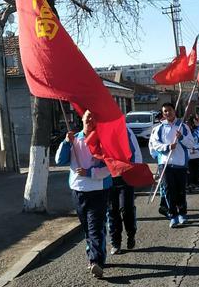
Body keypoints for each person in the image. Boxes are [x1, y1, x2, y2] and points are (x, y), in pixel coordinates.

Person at [55, 110, 111, 279]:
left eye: (94, 116)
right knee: (88, 228)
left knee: (95, 227)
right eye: (87, 116)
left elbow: (109, 167)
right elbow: (59, 160)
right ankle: (95, 254)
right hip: (78, 191)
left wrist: (89, 173)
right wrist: (66, 142)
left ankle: (96, 261)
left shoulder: (102, 139)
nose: (90, 119)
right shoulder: (74, 138)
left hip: (98, 190)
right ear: (82, 118)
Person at [149, 102, 195, 228]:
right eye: (165, 111)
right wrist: (168, 147)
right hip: (165, 164)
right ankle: (173, 215)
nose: (167, 113)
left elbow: (191, 144)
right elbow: (154, 144)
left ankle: (182, 213)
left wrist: (181, 138)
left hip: (180, 164)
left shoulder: (183, 127)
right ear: (163, 114)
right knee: (169, 190)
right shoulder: (158, 128)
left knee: (180, 190)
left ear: (174, 111)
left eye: (169, 110)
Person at [107, 128, 142, 255]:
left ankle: (131, 233)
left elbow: (136, 152)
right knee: (112, 211)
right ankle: (116, 242)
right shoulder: (99, 130)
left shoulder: (126, 131)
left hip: (125, 176)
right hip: (107, 178)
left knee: (126, 209)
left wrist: (135, 170)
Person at [186, 117, 199, 191]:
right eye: (187, 124)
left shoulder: (198, 132)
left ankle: (195, 183)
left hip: (196, 154)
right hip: (187, 154)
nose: (188, 126)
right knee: (188, 169)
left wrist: (195, 147)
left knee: (195, 170)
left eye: (189, 124)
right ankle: (189, 184)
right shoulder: (184, 133)